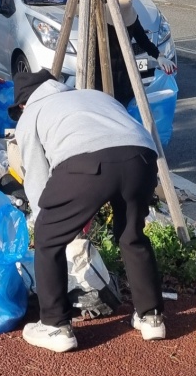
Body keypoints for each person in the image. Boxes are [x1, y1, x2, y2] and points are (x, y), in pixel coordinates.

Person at [9, 69, 165, 353]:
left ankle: (55, 326)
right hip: (142, 157)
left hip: (86, 163)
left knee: (48, 237)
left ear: (22, 103)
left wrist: (48, 218)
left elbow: (36, 177)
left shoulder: (32, 113)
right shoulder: (94, 96)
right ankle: (151, 316)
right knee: (131, 234)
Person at [96, 0, 177, 106]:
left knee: (126, 111)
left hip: (125, 77)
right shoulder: (100, 23)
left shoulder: (132, 20)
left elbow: (143, 40)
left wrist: (159, 57)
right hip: (102, 78)